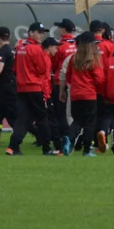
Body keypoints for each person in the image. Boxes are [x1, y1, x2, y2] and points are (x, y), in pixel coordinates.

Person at [11, 22, 53, 156]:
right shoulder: (36, 49)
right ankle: (46, 147)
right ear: (31, 33)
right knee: (42, 118)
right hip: (34, 87)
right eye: (39, 32)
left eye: (42, 33)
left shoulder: (20, 48)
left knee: (23, 118)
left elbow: (15, 69)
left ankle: (13, 146)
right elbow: (42, 69)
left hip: (22, 88)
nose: (41, 35)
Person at [62, 32, 105, 157]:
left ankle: (69, 138)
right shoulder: (94, 59)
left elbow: (68, 76)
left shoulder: (73, 58)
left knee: (77, 121)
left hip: (76, 95)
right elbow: (99, 79)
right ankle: (87, 149)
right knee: (89, 123)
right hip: (89, 95)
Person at [51, 19, 78, 152]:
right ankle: (74, 139)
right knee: (74, 114)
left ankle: (64, 140)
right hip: (75, 83)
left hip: (59, 82)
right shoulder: (79, 45)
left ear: (63, 30)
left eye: (60, 28)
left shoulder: (60, 46)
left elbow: (54, 64)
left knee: (60, 115)